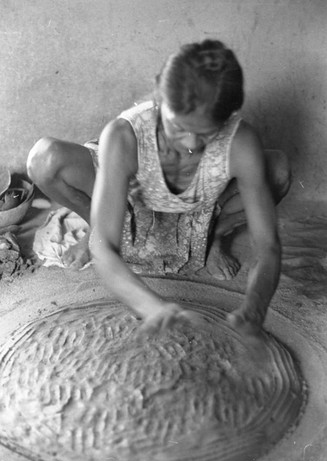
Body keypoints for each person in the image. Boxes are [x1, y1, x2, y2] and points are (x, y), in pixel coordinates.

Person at [27, 39, 291, 339]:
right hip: (131, 200)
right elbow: (103, 251)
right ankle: (96, 223)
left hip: (199, 209)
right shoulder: (125, 135)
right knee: (46, 162)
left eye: (206, 133)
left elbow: (268, 246)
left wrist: (255, 307)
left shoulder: (240, 141)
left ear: (228, 118)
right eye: (177, 126)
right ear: (158, 94)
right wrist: (154, 308)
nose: (190, 144)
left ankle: (214, 237)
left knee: (278, 169)